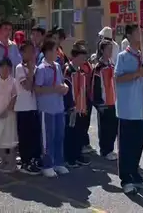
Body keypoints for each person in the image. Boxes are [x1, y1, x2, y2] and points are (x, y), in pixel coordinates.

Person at [114, 24, 143, 194]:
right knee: (126, 145)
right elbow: (118, 78)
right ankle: (125, 179)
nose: (141, 34)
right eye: (138, 32)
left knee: (138, 144)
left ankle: (135, 174)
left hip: (139, 109)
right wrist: (137, 73)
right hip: (126, 109)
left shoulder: (142, 57)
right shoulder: (123, 56)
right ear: (129, 36)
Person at [34, 39, 69, 178]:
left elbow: (61, 82)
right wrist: (53, 89)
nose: (58, 53)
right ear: (48, 52)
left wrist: (64, 87)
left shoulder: (57, 66)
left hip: (59, 107)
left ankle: (58, 162)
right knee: (48, 137)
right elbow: (37, 89)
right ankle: (47, 164)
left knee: (59, 136)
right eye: (56, 50)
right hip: (46, 108)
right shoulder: (41, 68)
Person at [14, 40, 41, 175]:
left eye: (33, 51)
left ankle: (34, 160)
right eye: (29, 51)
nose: (32, 54)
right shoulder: (20, 68)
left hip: (34, 106)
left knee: (34, 135)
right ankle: (25, 162)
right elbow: (28, 86)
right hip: (23, 107)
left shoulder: (36, 68)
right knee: (24, 136)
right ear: (22, 53)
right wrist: (30, 71)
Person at [63, 43, 91, 168]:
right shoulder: (67, 71)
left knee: (80, 132)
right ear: (74, 56)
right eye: (81, 57)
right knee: (70, 133)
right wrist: (70, 106)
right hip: (71, 108)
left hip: (81, 107)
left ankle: (77, 155)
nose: (84, 60)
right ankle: (70, 158)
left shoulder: (81, 70)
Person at [92, 40, 118, 161]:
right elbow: (95, 87)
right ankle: (105, 150)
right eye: (108, 49)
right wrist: (98, 103)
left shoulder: (112, 64)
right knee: (105, 128)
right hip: (104, 102)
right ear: (102, 50)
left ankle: (110, 149)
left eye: (111, 49)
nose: (110, 52)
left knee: (113, 127)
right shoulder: (98, 68)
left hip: (113, 101)